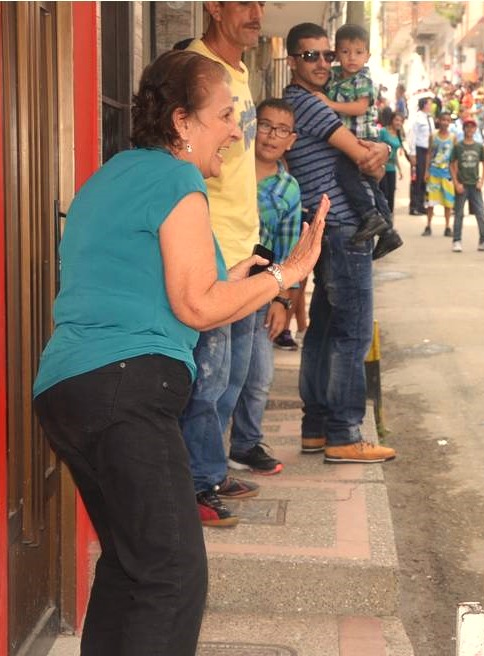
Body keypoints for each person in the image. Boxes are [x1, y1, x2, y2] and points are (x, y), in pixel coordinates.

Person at [32, 49, 327, 656]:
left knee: (132, 565)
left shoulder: (113, 175)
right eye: (224, 114)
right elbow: (196, 304)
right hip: (123, 387)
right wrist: (286, 275)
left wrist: (248, 276)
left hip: (69, 390)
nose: (236, 131)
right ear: (181, 122)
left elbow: (185, 291)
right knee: (171, 574)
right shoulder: (175, 177)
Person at [282, 22, 396, 463]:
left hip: (326, 227)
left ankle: (316, 429)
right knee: (352, 333)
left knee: (325, 332)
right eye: (310, 56)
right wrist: (380, 151)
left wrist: (376, 150)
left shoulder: (307, 103)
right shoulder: (307, 104)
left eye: (326, 56)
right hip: (343, 228)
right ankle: (345, 433)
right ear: (292, 60)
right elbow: (363, 155)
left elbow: (360, 150)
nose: (322, 64)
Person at [182, 0, 267, 526]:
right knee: (207, 379)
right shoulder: (196, 71)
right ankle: (194, 484)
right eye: (244, 3)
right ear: (213, 7)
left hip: (244, 243)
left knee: (232, 376)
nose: (256, 13)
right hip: (211, 244)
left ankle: (211, 468)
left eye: (261, 3)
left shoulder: (238, 71)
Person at [227, 98, 304, 476]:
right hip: (219, 285)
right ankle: (201, 458)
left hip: (259, 293)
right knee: (217, 379)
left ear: (292, 139)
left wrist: (281, 301)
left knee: (258, 376)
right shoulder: (227, 169)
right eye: (266, 125)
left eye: (282, 130)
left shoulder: (289, 190)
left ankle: (244, 446)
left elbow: (288, 253)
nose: (272, 135)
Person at [315, 23, 402, 258]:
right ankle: (388, 232)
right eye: (345, 52)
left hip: (362, 137)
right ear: (336, 53)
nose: (351, 58)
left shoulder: (363, 79)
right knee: (370, 185)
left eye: (358, 52)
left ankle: (370, 217)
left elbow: (360, 106)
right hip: (348, 137)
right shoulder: (333, 76)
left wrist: (329, 104)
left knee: (346, 173)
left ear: (368, 56)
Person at [450, 118, 484, 252]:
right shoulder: (458, 147)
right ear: (464, 129)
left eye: (472, 127)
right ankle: (457, 240)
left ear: (475, 129)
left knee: (480, 213)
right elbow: (452, 164)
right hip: (462, 184)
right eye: (467, 127)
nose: (470, 130)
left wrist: (482, 181)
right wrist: (456, 182)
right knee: (459, 213)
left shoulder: (478, 147)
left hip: (474, 184)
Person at [423, 111, 457, 236]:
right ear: (439, 121)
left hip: (447, 174)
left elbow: (454, 158)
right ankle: (428, 225)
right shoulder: (433, 136)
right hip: (434, 172)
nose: (445, 123)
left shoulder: (453, 137)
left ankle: (447, 227)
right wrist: (426, 171)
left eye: (448, 120)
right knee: (430, 201)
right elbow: (429, 153)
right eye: (443, 120)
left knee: (448, 202)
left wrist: (456, 174)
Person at [377, 107, 407, 219]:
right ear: (392, 120)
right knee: (383, 193)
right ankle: (382, 217)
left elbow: (395, 154)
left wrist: (400, 170)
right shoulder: (384, 132)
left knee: (391, 195)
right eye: (396, 120)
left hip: (392, 168)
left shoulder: (398, 134)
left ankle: (389, 218)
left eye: (401, 121)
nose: (398, 123)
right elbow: (377, 147)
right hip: (382, 167)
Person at [408, 96, 434, 215]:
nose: (431, 106)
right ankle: (414, 205)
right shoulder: (417, 118)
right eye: (430, 104)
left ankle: (422, 204)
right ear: (424, 105)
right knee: (416, 178)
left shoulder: (430, 118)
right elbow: (412, 135)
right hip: (419, 151)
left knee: (425, 177)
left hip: (428, 151)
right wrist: (412, 153)